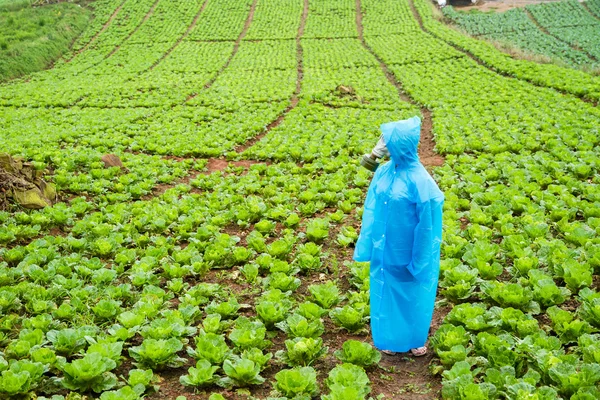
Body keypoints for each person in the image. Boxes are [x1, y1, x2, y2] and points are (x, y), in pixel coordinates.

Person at [354, 116, 444, 357]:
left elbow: (428, 227)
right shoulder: (384, 172)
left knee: (412, 295)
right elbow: (371, 209)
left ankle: (414, 338)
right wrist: (368, 245)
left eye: (389, 142)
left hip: (408, 252)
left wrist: (421, 260)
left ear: (401, 144)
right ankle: (388, 338)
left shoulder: (421, 181)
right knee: (385, 294)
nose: (385, 146)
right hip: (384, 250)